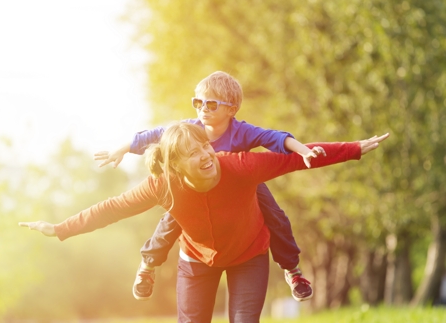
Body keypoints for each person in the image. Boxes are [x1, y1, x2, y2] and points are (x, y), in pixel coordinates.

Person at [20, 122, 389, 323]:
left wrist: (355, 148)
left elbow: (300, 158)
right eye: (194, 153)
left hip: (249, 255)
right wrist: (61, 228)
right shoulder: (163, 185)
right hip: (196, 263)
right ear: (176, 165)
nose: (206, 155)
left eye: (205, 147)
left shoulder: (239, 166)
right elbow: (111, 208)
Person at [94, 71, 322, 302]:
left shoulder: (242, 131)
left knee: (275, 215)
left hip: (240, 184)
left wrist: (304, 150)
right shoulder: (189, 129)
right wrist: (121, 149)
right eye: (198, 102)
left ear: (231, 109)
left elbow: (274, 138)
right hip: (196, 188)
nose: (203, 109)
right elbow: (152, 136)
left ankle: (292, 271)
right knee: (170, 222)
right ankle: (147, 266)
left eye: (211, 104)